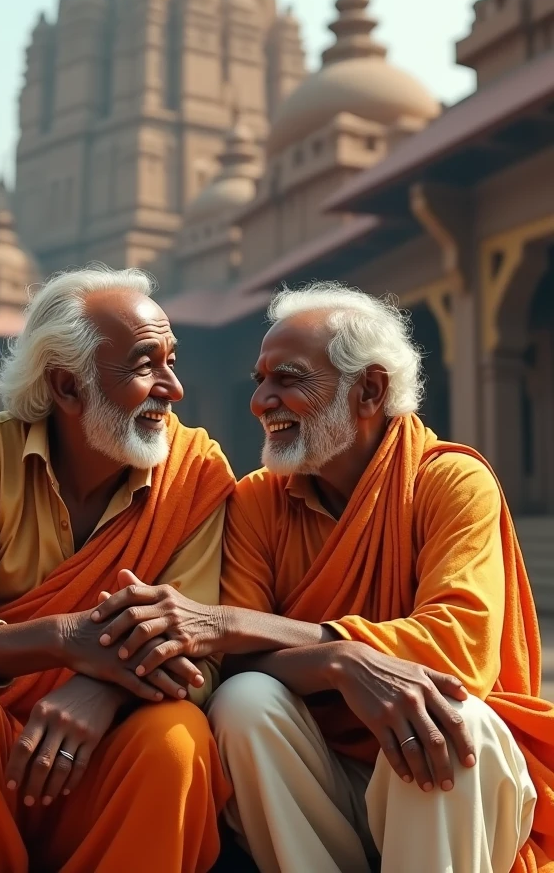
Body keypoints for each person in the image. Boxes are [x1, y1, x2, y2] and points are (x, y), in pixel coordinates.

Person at [92, 282, 554, 873]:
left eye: (288, 378)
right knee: (243, 701)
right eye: (260, 380)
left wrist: (253, 630)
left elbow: (454, 658)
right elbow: (236, 663)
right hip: (321, 777)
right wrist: (345, 662)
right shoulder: (260, 500)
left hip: (451, 785)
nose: (261, 401)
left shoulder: (450, 482)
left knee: (445, 712)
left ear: (369, 391)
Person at [0, 266, 235, 873]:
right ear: (66, 386)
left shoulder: (195, 472)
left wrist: (98, 687)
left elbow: (195, 654)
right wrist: (62, 640)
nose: (172, 388)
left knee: (177, 737)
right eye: (145, 365)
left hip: (102, 769)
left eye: (172, 360)